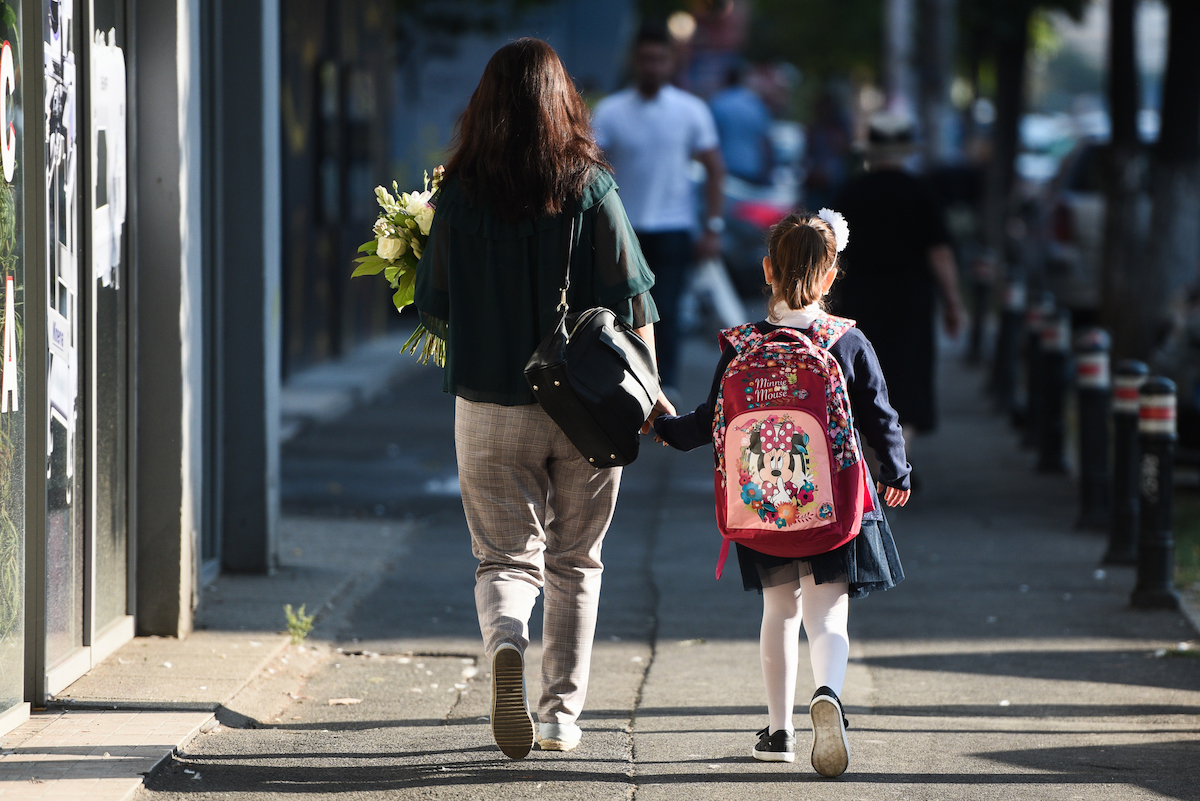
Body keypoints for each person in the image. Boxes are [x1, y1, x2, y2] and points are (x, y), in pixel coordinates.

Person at [414, 38, 673, 760]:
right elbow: (635, 298)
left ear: (485, 104)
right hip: (588, 404)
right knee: (576, 559)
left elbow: (434, 304)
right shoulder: (591, 188)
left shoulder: (457, 196)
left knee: (503, 556)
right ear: (565, 103)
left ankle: (506, 644)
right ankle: (560, 715)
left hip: (490, 404)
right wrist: (651, 395)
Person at [652, 210, 910, 777]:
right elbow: (880, 416)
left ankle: (778, 732)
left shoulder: (742, 346)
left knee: (779, 612)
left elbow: (710, 418)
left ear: (767, 269)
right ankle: (828, 695)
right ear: (831, 275)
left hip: (763, 507)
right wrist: (896, 473)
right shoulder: (846, 341)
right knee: (828, 617)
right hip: (833, 505)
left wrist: (664, 429)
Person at [592, 24, 726, 393]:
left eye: (659, 59)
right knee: (619, 313)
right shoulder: (611, 111)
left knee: (665, 309)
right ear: (634, 61)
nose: (652, 66)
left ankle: (664, 386)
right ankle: (623, 385)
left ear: (671, 62)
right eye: (645, 59)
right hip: (623, 229)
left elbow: (715, 168)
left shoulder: (690, 110)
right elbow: (589, 167)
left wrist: (713, 226)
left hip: (673, 228)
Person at [832, 112, 964, 437]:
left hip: (860, 298)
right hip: (910, 299)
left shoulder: (851, 192)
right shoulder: (922, 192)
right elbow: (940, 253)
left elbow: (832, 255)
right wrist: (952, 302)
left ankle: (873, 459)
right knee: (908, 382)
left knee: (862, 382)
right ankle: (899, 457)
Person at [708, 64, 773, 185]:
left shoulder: (718, 102)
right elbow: (765, 141)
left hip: (725, 167)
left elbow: (710, 139)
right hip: (752, 168)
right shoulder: (757, 104)